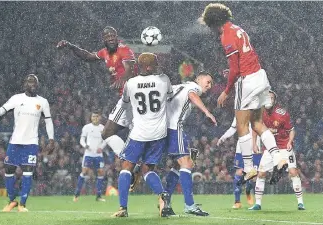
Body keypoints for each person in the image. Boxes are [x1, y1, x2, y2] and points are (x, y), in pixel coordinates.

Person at [199, 3, 286, 184]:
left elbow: (234, 69)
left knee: (241, 125)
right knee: (258, 123)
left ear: (214, 23)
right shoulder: (238, 29)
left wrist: (226, 91)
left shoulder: (226, 36)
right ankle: (279, 159)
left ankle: (248, 169)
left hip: (247, 81)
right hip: (261, 76)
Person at [130, 72, 216, 216]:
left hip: (157, 127)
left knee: (151, 167)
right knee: (186, 163)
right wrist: (207, 112)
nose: (209, 85)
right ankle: (189, 205)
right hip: (173, 128)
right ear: (198, 79)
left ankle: (166, 202)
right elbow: (192, 95)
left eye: (211, 83)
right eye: (208, 81)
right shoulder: (193, 88)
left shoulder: (176, 87)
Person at [57, 26, 135, 156]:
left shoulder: (125, 50)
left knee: (126, 132)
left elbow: (129, 69)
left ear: (116, 37)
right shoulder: (104, 52)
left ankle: (132, 158)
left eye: (112, 36)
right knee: (107, 133)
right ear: (103, 39)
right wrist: (71, 46)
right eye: (107, 37)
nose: (110, 38)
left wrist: (121, 80)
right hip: (124, 98)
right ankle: (128, 157)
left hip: (133, 97)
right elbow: (87, 56)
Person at [112, 53, 172, 218]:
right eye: (156, 63)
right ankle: (163, 196)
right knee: (147, 169)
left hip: (139, 132)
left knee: (126, 168)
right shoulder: (164, 80)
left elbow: (125, 104)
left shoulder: (130, 83)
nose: (158, 65)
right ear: (150, 66)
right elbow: (169, 98)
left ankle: (123, 208)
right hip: (159, 133)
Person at [0, 74, 55, 212]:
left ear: (37, 85)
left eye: (34, 82)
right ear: (25, 85)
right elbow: (1, 110)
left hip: (31, 143)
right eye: (29, 82)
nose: (32, 85)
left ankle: (22, 204)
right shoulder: (17, 98)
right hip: (15, 142)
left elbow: (48, 121)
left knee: (28, 172)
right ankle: (12, 200)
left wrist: (51, 139)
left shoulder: (43, 102)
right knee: (9, 171)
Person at [249, 90, 305, 211]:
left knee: (293, 172)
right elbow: (255, 129)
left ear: (275, 100)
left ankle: (300, 203)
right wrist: (254, 143)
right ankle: (257, 204)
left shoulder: (282, 113)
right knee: (261, 173)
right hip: (269, 149)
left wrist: (290, 142)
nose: (269, 100)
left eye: (271, 98)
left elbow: (291, 130)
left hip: (284, 147)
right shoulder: (259, 113)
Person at [217, 117, 262, 209]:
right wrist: (223, 137)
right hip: (241, 148)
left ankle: (248, 190)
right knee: (239, 172)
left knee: (253, 175)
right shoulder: (239, 113)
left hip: (255, 148)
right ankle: (237, 201)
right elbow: (233, 128)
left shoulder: (258, 112)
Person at [73, 111, 106, 202]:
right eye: (93, 116)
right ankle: (76, 194)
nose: (95, 118)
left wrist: (101, 147)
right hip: (89, 154)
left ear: (99, 117)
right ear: (91, 118)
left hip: (98, 154)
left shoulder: (103, 128)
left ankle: (98, 196)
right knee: (84, 172)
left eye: (96, 116)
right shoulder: (87, 127)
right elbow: (82, 139)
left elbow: (105, 140)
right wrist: (85, 145)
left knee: (100, 172)